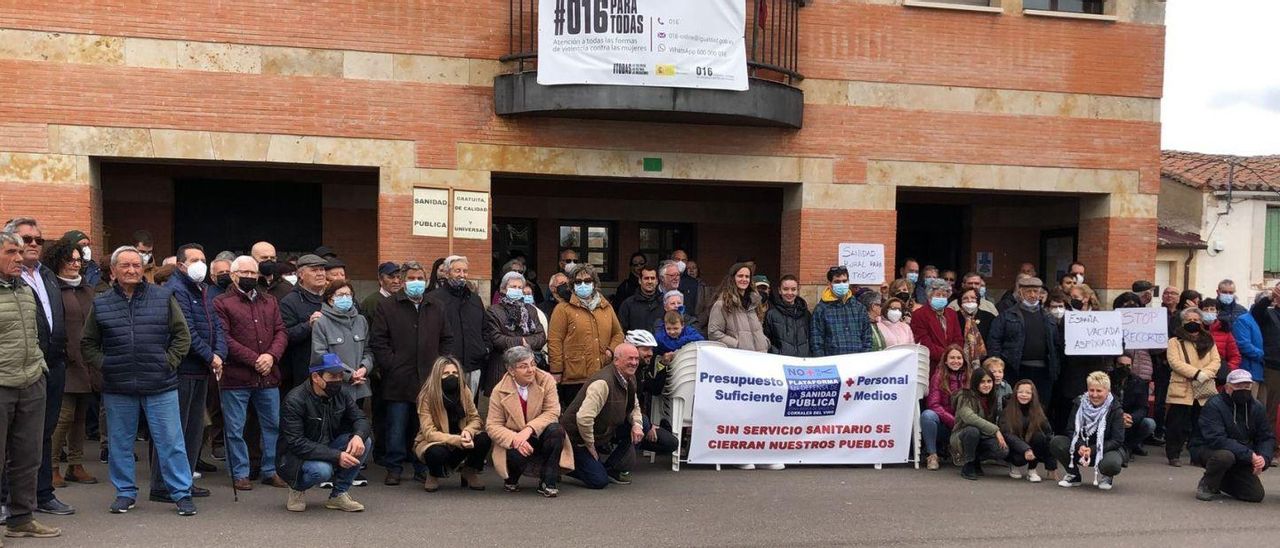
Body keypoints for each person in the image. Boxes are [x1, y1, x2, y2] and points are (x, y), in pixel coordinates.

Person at [81, 245, 196, 516]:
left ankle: (181, 493)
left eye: (136, 265)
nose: (132, 270)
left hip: (160, 384)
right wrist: (106, 365)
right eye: (125, 266)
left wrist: (168, 362)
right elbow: (88, 343)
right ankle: (125, 493)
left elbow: (182, 337)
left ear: (143, 269)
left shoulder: (163, 297)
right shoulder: (101, 303)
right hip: (118, 386)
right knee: (120, 443)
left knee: (171, 442)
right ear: (114, 271)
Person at [5, 218, 74, 516]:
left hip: (49, 367)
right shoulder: (12, 282)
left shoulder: (46, 275)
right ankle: (7, 499)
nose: (32, 245)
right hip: (11, 373)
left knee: (41, 435)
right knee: (11, 440)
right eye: (25, 240)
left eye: (38, 240)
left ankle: (42, 493)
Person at [148, 243, 225, 501]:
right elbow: (187, 333)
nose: (200, 264)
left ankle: (184, 481)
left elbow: (216, 326)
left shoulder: (203, 290)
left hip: (201, 371)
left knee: (192, 431)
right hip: (181, 371)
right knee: (173, 432)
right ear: (181, 264)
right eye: (194, 260)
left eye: (203, 259)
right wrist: (210, 356)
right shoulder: (175, 290)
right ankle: (162, 485)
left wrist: (220, 353)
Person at [0, 230, 62, 536]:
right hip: (2, 384)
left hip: (31, 382)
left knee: (28, 456)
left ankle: (21, 519)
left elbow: (36, 332)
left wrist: (38, 366)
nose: (19, 258)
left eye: (20, 252)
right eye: (11, 252)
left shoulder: (24, 288)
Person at [369, 261, 452, 486]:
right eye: (411, 279)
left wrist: (441, 366)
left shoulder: (436, 305)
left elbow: (446, 339)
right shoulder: (387, 306)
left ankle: (421, 466)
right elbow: (379, 340)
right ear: (403, 281)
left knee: (423, 426)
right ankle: (394, 467)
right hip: (398, 378)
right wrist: (391, 364)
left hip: (428, 378)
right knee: (396, 425)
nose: (416, 283)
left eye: (420, 278)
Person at [213, 256, 289, 490]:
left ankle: (270, 470)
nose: (249, 277)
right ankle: (240, 473)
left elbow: (281, 331)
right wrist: (255, 359)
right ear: (233, 275)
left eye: (253, 273)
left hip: (268, 375)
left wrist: (271, 356)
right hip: (236, 377)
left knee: (272, 425)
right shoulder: (221, 302)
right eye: (244, 272)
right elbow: (224, 338)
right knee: (235, 428)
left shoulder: (270, 301)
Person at [279, 353, 370, 512]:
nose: (337, 380)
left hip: (328, 444)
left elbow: (361, 418)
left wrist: (358, 436)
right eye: (332, 376)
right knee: (322, 471)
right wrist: (336, 456)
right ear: (316, 377)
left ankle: (338, 495)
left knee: (365, 442)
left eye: (340, 375)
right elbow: (296, 443)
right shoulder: (295, 400)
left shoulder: (341, 394)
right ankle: (297, 488)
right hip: (296, 457)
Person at [44, 238, 98, 487]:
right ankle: (52, 466)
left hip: (87, 361)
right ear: (57, 261)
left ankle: (75, 465)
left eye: (78, 260)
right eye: (70, 260)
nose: (75, 264)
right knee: (62, 417)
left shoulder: (87, 289)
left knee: (80, 416)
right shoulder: (51, 288)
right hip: (65, 362)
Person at [487, 346, 572, 497]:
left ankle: (548, 481)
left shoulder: (546, 380)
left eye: (533, 364)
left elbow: (552, 412)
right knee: (514, 452)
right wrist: (515, 439)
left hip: (539, 434)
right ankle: (511, 479)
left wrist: (529, 430)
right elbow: (492, 425)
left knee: (556, 430)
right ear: (511, 370)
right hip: (515, 439)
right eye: (523, 366)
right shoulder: (499, 390)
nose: (531, 370)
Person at [561, 343, 646, 487]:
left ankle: (610, 469)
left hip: (603, 431)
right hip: (577, 438)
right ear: (616, 360)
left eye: (636, 358)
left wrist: (637, 425)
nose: (634, 363)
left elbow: (634, 405)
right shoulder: (602, 383)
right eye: (630, 359)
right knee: (598, 481)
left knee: (643, 423)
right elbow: (583, 418)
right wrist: (590, 445)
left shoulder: (630, 377)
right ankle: (562, 466)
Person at [1189, 369, 1274, 503]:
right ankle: (1207, 484)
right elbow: (1217, 439)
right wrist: (1249, 455)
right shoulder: (1214, 405)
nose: (1244, 390)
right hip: (1208, 449)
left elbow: (1266, 437)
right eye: (1239, 386)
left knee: (1255, 495)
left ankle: (1220, 479)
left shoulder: (1257, 407)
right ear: (1228, 388)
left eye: (1247, 386)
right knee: (1225, 456)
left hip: (1242, 454)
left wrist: (1264, 458)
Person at [548, 264, 624, 407]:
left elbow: (618, 334)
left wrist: (610, 351)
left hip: (602, 373)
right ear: (572, 285)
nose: (583, 285)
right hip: (574, 377)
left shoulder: (606, 307)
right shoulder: (563, 309)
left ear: (594, 283)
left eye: (587, 281)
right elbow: (555, 341)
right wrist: (556, 370)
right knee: (575, 419)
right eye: (578, 282)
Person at [413, 357, 490, 492]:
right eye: (446, 374)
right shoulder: (426, 396)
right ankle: (433, 474)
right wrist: (456, 440)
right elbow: (428, 432)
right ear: (438, 375)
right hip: (437, 441)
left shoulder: (464, 391)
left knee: (484, 439)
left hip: (461, 436)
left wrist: (468, 431)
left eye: (455, 373)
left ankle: (469, 471)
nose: (451, 377)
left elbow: (476, 418)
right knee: (435, 453)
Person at [989, 276, 1059, 407]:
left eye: (1036, 291)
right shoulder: (1007, 315)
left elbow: (1055, 345)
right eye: (1028, 291)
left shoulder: (1048, 317)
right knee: (1015, 405)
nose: (1032, 295)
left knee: (1041, 406)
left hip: (1043, 371)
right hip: (1015, 369)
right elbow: (995, 341)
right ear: (1020, 292)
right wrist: (997, 365)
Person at [1165, 307, 1222, 467]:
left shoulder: (1209, 340)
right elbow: (1175, 362)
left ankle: (1196, 455)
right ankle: (1173, 454)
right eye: (1189, 320)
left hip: (1203, 389)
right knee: (1177, 424)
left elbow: (1216, 361)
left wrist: (1206, 373)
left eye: (1196, 320)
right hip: (1182, 388)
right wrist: (1197, 373)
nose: (1193, 323)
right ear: (1183, 322)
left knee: (1200, 425)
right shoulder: (1174, 342)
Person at [1052, 371, 1124, 491]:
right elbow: (1070, 429)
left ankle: (1107, 476)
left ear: (1107, 391)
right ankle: (1073, 475)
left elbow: (1117, 440)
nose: (1094, 395)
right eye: (1091, 390)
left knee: (1113, 464)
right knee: (1057, 442)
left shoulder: (1116, 409)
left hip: (1105, 450)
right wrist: (1080, 445)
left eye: (1099, 391)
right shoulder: (1078, 403)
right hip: (1082, 447)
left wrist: (1093, 449)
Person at [428, 255, 488, 396]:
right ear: (448, 273)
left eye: (465, 271)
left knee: (470, 410)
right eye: (457, 271)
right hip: (447, 366)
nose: (462, 275)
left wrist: (484, 348)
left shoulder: (475, 299)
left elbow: (484, 328)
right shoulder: (434, 299)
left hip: (473, 364)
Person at [483, 271, 547, 395]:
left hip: (527, 366)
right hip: (502, 366)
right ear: (503, 289)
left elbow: (541, 336)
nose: (517, 290)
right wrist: (521, 341)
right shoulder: (494, 311)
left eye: (519, 287)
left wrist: (521, 341)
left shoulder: (530, 310)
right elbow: (496, 338)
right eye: (513, 287)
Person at [278, 254, 328, 390]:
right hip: (304, 372)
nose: (320, 274)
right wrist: (308, 325)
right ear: (300, 274)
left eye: (322, 270)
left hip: (332, 368)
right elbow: (285, 335)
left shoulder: (331, 297)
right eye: (314, 270)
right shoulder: (289, 302)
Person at [950, 367, 1009, 480]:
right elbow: (969, 418)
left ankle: (976, 459)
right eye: (982, 382)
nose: (986, 385)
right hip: (962, 435)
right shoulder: (964, 396)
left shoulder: (994, 397)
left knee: (1003, 450)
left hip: (984, 435)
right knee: (972, 430)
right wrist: (996, 430)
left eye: (989, 381)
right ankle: (969, 464)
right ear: (975, 382)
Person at [921, 346, 970, 470]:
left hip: (965, 422)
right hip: (944, 424)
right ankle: (932, 455)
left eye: (959, 358)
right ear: (946, 361)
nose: (956, 361)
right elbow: (933, 404)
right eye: (952, 358)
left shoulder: (970, 377)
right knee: (927, 415)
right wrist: (953, 421)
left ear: (964, 360)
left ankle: (963, 452)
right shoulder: (938, 377)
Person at [810, 266, 872, 357]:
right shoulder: (821, 309)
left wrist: (863, 359)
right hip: (832, 364)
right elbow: (816, 341)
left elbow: (867, 338)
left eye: (844, 281)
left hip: (857, 363)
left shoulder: (859, 308)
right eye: (837, 282)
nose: (842, 284)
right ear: (829, 284)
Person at [707, 263, 769, 353]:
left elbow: (758, 329)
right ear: (732, 278)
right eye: (740, 276)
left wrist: (765, 342)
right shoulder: (722, 304)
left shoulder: (755, 303)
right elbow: (714, 333)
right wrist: (737, 345)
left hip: (759, 358)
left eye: (747, 277)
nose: (744, 279)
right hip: (737, 359)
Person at [1218, 280, 1264, 399]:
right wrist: (1262, 354)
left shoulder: (1241, 310)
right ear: (1218, 292)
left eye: (1230, 292)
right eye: (1225, 292)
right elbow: (1243, 343)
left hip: (1238, 360)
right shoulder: (1213, 308)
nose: (1228, 295)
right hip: (1222, 358)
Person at [1002, 379, 1055, 482]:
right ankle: (1014, 466)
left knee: (1040, 437)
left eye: (1028, 392)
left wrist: (1051, 466)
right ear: (1015, 393)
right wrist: (1025, 449)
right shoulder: (1007, 410)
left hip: (1031, 447)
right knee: (1018, 459)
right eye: (1020, 392)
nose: (1024, 395)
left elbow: (1049, 434)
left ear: (1033, 395)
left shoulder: (1038, 410)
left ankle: (1032, 469)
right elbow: (1007, 434)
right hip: (1015, 447)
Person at [1109, 354, 1154, 460]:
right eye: (1121, 365)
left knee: (1149, 424)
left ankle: (1129, 446)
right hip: (1110, 418)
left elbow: (1143, 408)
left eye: (1128, 365)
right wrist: (1118, 416)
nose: (1124, 368)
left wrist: (1131, 417)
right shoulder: (1106, 380)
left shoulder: (1139, 382)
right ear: (1115, 365)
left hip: (1130, 419)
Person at [911, 279, 963, 370]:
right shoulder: (919, 314)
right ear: (929, 296)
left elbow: (958, 338)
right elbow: (924, 342)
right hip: (931, 364)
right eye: (938, 295)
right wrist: (947, 356)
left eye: (944, 296)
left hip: (952, 365)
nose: (941, 298)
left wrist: (954, 356)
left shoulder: (952, 313)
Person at [1249, 282, 1280, 428]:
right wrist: (1269, 297)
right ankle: (1269, 445)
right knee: (1270, 409)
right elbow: (1255, 312)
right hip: (1273, 368)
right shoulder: (1268, 313)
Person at [1201, 298, 1242, 385]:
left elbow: (1235, 356)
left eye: (1212, 309)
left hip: (1219, 378)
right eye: (1205, 309)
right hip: (1199, 376)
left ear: (1217, 312)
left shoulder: (1225, 331)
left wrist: (1227, 370)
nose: (1209, 312)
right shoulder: (1195, 330)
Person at [617, 265, 662, 334]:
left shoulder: (664, 302)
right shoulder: (628, 304)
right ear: (640, 280)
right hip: (635, 344)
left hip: (660, 344)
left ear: (657, 281)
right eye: (646, 278)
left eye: (652, 278)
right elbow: (620, 330)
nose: (650, 281)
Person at [954, 287, 992, 368]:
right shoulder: (954, 317)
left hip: (983, 363)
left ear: (978, 300)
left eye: (973, 298)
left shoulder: (989, 317)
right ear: (960, 301)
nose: (969, 300)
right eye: (965, 298)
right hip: (959, 361)